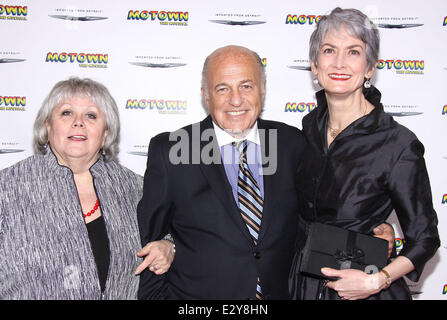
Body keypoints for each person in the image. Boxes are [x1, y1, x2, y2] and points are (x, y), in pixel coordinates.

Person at [137, 45, 393, 300]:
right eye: (222, 88)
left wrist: (371, 230)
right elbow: (151, 246)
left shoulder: (292, 143)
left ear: (263, 90)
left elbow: (321, 213)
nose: (235, 100)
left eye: (246, 86)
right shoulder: (172, 150)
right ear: (206, 95)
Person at [289, 7, 440, 300]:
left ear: (370, 68)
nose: (340, 63)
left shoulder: (397, 143)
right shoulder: (307, 128)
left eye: (354, 52)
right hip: (303, 284)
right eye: (329, 50)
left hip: (363, 289)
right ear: (314, 65)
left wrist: (377, 281)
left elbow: (425, 239)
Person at [0, 77, 174, 299]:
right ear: (47, 125)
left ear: (105, 133)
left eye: (91, 115)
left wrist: (169, 246)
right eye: (66, 113)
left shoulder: (135, 189)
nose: (78, 122)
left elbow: (175, 234)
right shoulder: (7, 188)